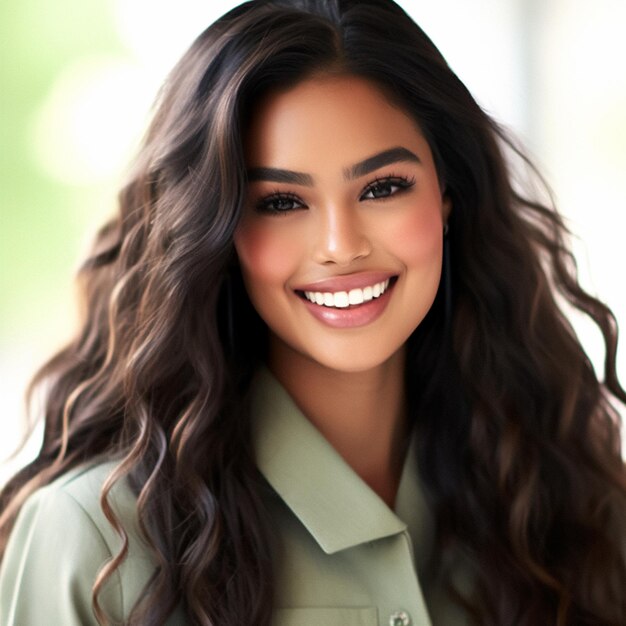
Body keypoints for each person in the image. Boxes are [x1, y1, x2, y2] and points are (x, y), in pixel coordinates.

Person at [1, 1, 625, 624]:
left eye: (382, 188)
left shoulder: (571, 503)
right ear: (214, 231)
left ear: (447, 194)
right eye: (280, 202)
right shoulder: (95, 539)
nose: (340, 244)